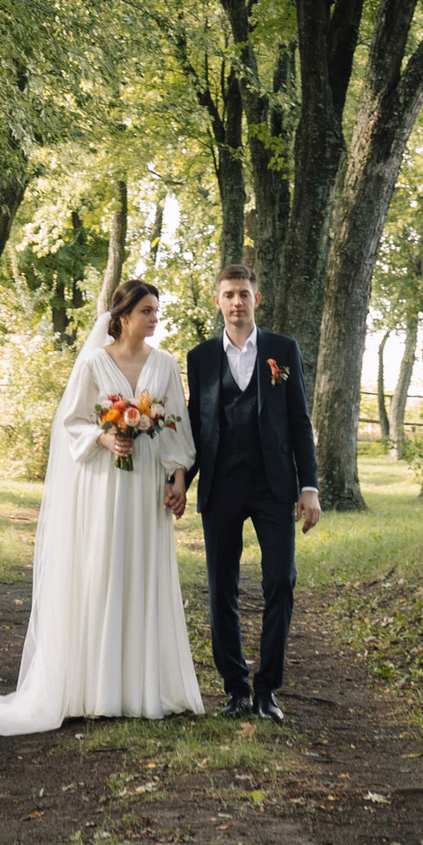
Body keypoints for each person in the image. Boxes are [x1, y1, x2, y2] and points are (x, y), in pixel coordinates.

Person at [0, 278, 202, 735]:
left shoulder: (166, 364)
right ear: (122, 317)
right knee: (103, 571)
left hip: (146, 490)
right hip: (105, 485)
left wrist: (178, 479)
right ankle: (96, 688)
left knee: (143, 572)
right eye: (147, 311)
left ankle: (144, 688)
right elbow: (71, 421)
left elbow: (177, 428)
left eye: (157, 311)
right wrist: (104, 436)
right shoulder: (96, 363)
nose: (155, 319)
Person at [178, 260, 319, 719]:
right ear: (217, 301)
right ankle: (236, 688)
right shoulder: (200, 358)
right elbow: (196, 428)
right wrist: (180, 479)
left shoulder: (283, 350)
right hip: (221, 485)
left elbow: (299, 421)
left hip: (273, 483)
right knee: (222, 587)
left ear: (256, 300)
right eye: (228, 294)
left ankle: (267, 690)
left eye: (244, 294)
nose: (237, 302)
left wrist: (309, 487)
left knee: (281, 579)